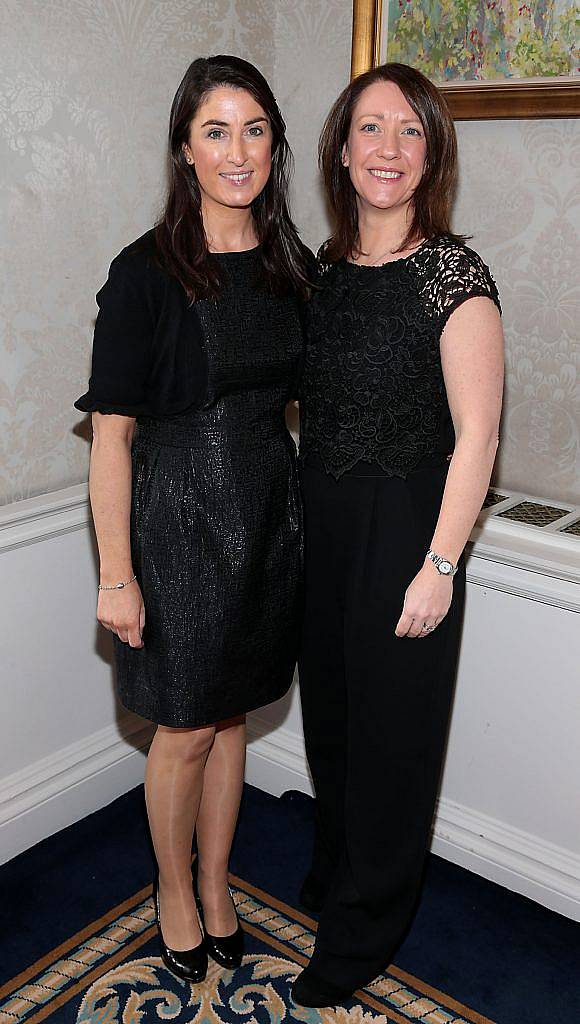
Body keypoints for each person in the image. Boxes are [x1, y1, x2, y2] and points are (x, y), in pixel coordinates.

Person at [75, 55, 312, 984]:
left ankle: (218, 884)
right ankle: (172, 889)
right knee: (182, 728)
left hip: (267, 522)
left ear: (274, 145)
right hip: (174, 528)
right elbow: (111, 440)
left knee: (230, 721)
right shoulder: (143, 273)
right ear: (185, 148)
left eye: (254, 128)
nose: (237, 150)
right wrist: (116, 573)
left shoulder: (291, 264)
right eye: (216, 131)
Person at [292, 62, 504, 1008]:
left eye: (410, 131)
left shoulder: (454, 273)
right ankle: (339, 870)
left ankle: (368, 926)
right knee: (333, 720)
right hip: (325, 520)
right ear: (342, 148)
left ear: (433, 154)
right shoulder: (325, 271)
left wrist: (440, 565)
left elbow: (480, 437)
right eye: (371, 129)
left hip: (409, 524)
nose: (388, 149)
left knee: (393, 738)